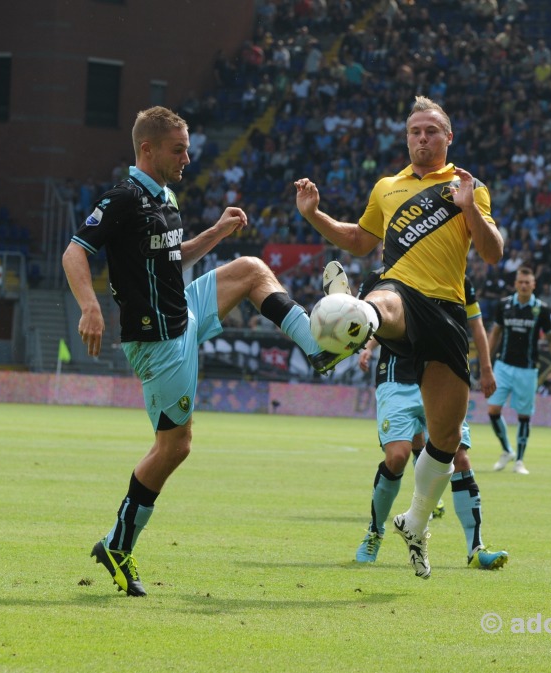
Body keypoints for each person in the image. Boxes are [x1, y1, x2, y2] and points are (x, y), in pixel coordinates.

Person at [62, 106, 342, 597]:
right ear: (147, 149)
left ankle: (318, 349)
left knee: (252, 269)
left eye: (188, 148)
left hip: (182, 310)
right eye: (179, 149)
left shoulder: (165, 196)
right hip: (158, 340)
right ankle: (119, 543)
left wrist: (214, 235)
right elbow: (74, 251)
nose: (187, 157)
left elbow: (172, 259)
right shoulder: (123, 197)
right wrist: (90, 307)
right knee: (175, 446)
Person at [295, 96, 504, 579]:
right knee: (387, 297)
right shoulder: (387, 188)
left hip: (447, 314)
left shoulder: (468, 186)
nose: (422, 138)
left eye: (432, 131)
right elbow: (358, 241)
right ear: (407, 137)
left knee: (447, 440)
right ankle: (353, 318)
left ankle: (413, 520)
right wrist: (314, 216)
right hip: (401, 294)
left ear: (448, 137)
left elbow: (492, 252)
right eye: (415, 132)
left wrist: (469, 208)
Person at [354, 269, 508, 570]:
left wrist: (486, 368)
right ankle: (375, 532)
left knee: (459, 457)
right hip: (397, 378)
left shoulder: (458, 278)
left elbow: (476, 325)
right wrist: (366, 347)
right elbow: (365, 322)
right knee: (396, 457)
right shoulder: (378, 279)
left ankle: (475, 548)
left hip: (443, 372)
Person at [488, 266, 551, 475]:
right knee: (493, 409)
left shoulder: (541, 309)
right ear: (515, 284)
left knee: (523, 416)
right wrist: (486, 360)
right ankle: (507, 450)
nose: (523, 285)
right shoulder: (504, 306)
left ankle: (519, 461)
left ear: (533, 285)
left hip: (528, 369)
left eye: (527, 282)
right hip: (502, 366)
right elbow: (495, 333)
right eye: (520, 282)